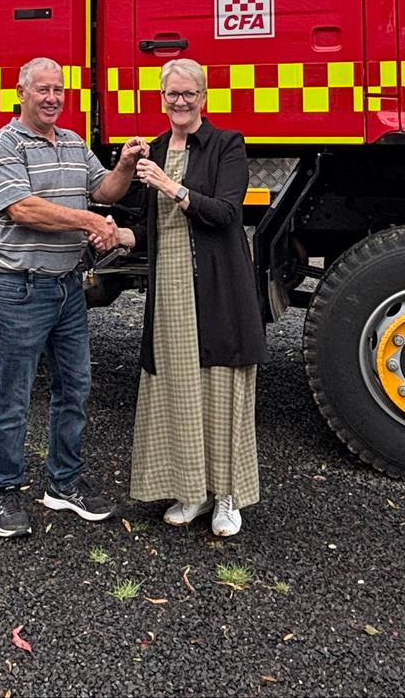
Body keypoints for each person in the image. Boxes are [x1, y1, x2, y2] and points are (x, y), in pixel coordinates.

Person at [0, 57, 145, 540]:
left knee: (75, 388)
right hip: (21, 286)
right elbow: (21, 208)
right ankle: (5, 492)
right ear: (21, 91)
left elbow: (106, 191)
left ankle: (63, 484)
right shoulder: (2, 144)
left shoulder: (74, 142)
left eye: (59, 91)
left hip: (68, 286)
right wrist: (91, 223)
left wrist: (125, 166)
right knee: (13, 395)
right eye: (43, 90)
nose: (52, 98)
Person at [123, 58, 268, 537]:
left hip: (218, 287)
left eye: (188, 94)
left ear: (203, 97)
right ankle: (192, 492)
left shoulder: (228, 144)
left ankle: (227, 497)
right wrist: (112, 234)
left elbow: (226, 213)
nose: (180, 102)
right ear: (161, 99)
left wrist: (169, 184)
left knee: (220, 385)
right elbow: (149, 231)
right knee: (179, 389)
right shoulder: (157, 148)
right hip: (171, 293)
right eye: (172, 95)